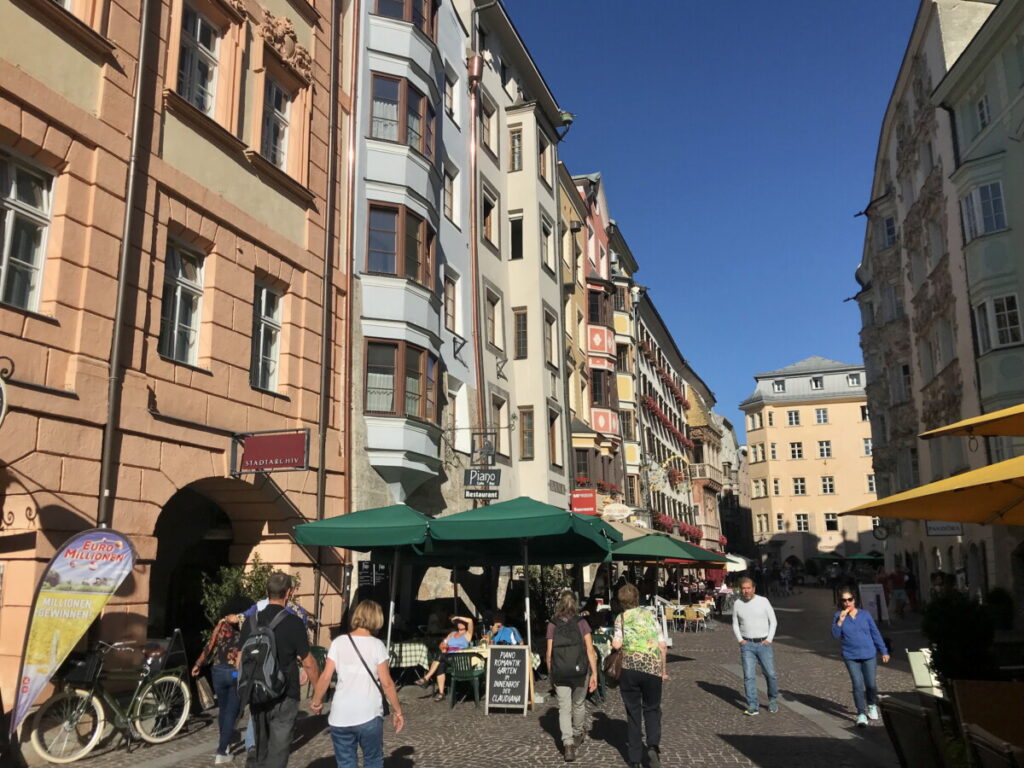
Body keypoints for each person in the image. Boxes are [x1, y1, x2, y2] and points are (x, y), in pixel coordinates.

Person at [237, 573, 319, 768]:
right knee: (278, 751)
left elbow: (240, 660)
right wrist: (318, 692)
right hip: (285, 694)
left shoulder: (251, 621)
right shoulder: (294, 622)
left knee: (259, 748)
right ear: (289, 593)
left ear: (267, 592)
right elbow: (308, 662)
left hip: (257, 692)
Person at [310, 600, 404, 768]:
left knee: (346, 763)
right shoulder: (377, 645)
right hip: (369, 713)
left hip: (341, 714)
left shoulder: (339, 642)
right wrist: (398, 711)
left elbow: (325, 677)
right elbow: (387, 683)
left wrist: (317, 702)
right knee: (373, 761)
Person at [612, 583, 667, 768]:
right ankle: (652, 745)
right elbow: (662, 645)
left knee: (633, 713)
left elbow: (617, 645)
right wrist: (663, 670)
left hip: (630, 668)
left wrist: (616, 639)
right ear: (637, 598)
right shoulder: (650, 616)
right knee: (652, 708)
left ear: (621, 602)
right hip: (652, 667)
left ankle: (634, 759)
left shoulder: (621, 618)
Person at [193, 596, 253, 764]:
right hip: (235, 672)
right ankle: (221, 751)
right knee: (232, 712)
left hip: (217, 671)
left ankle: (225, 745)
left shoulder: (220, 624)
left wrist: (198, 663)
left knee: (224, 710)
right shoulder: (247, 625)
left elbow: (210, 646)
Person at [546, 591, 598, 763]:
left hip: (560, 671)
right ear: (575, 604)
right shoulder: (582, 622)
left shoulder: (552, 624)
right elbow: (590, 650)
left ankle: (567, 744)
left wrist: (551, 673)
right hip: (580, 671)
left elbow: (548, 653)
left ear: (560, 603)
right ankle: (577, 733)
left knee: (564, 708)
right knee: (578, 704)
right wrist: (594, 673)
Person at [831, 589, 890, 727]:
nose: (847, 603)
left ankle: (871, 705)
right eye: (844, 600)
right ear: (841, 602)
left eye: (849, 599)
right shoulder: (838, 616)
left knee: (871, 684)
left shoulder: (865, 615)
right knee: (857, 684)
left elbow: (875, 633)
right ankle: (861, 713)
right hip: (850, 656)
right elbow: (835, 635)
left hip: (868, 654)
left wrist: (884, 650)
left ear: (854, 600)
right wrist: (840, 620)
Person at [731, 577, 778, 716]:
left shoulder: (763, 601)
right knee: (749, 676)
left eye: (748, 588)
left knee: (771, 674)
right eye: (743, 588)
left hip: (764, 643)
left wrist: (769, 639)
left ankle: (773, 700)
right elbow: (734, 623)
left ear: (754, 588)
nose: (746, 591)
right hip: (747, 645)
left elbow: (773, 621)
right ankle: (752, 705)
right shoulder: (737, 603)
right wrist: (740, 640)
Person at [414, 615, 474, 700]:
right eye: (458, 623)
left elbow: (470, 621)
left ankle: (426, 678)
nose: (460, 624)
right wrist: (442, 645)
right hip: (447, 657)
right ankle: (441, 693)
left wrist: (457, 617)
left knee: (440, 656)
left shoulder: (467, 634)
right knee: (441, 664)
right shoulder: (452, 634)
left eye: (462, 622)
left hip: (459, 658)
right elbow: (442, 644)